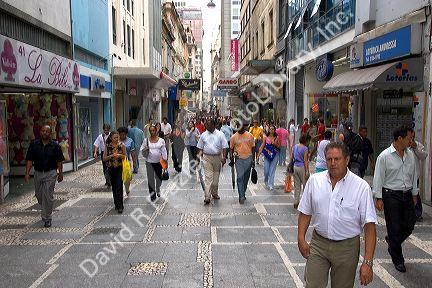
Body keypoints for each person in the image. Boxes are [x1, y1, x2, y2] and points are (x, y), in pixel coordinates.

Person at [298, 142, 377, 287]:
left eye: (337, 159)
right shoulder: (315, 181)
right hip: (319, 244)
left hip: (347, 248)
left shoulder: (361, 187)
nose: (332, 163)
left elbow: (370, 227)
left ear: (346, 160)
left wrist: (368, 262)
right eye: (329, 159)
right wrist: (301, 238)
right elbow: (305, 212)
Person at [374, 126, 418, 273]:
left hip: (407, 194)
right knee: (394, 227)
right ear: (400, 138)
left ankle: (392, 240)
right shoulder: (384, 156)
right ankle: (398, 259)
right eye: (409, 138)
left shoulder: (410, 155)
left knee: (410, 224)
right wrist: (378, 198)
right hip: (391, 195)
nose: (410, 141)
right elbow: (378, 178)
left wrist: (414, 193)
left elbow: (414, 174)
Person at [25, 125, 65, 227]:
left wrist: (60, 174)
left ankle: (47, 218)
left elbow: (59, 161)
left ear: (50, 133)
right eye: (43, 131)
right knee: (39, 195)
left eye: (47, 131)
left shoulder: (55, 146)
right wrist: (27, 173)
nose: (45, 133)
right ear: (40, 132)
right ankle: (45, 209)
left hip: (51, 173)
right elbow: (29, 160)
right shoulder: (34, 145)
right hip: (38, 173)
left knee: (48, 195)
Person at [197, 119, 228, 205]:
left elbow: (225, 146)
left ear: (214, 125)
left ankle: (214, 193)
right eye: (206, 125)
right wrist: (198, 158)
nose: (207, 126)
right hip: (206, 157)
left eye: (209, 125)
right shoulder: (203, 135)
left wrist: (224, 157)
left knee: (216, 178)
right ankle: (207, 196)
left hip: (217, 158)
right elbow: (200, 147)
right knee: (208, 177)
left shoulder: (220, 134)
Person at [230, 123, 255, 204]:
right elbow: (231, 148)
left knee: (246, 178)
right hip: (239, 159)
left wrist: (253, 160)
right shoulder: (233, 137)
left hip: (248, 158)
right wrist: (231, 157)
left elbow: (253, 148)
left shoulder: (250, 135)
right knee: (240, 177)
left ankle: (242, 192)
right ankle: (241, 196)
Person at [141, 125, 168, 202]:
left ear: (156, 131)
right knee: (150, 179)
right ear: (149, 132)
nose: (152, 132)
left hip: (159, 162)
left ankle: (158, 187)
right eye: (151, 131)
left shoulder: (161, 140)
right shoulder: (146, 140)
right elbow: (142, 150)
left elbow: (164, 151)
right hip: (149, 162)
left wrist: (165, 160)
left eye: (154, 130)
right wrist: (145, 148)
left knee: (159, 178)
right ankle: (152, 195)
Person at [103, 131, 127, 213]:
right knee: (114, 186)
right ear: (111, 138)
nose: (116, 139)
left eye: (117, 137)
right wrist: (111, 156)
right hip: (111, 168)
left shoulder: (122, 145)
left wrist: (119, 155)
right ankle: (116, 204)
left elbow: (125, 156)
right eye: (115, 138)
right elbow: (104, 158)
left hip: (119, 168)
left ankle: (120, 206)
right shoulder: (107, 146)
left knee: (119, 186)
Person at [410, 132, 428, 221]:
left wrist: (415, 148)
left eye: (412, 137)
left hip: (415, 175)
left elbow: (424, 156)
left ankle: (417, 213)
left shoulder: (417, 145)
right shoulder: (402, 146)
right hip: (403, 176)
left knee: (415, 194)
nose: (411, 139)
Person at [259, 125, 281, 190]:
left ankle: (271, 184)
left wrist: (275, 143)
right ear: (268, 130)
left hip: (275, 155)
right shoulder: (266, 137)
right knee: (266, 170)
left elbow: (279, 147)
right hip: (267, 155)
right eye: (270, 129)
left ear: (274, 130)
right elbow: (262, 146)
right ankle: (266, 179)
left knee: (272, 170)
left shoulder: (277, 137)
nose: (271, 130)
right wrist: (258, 156)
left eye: (272, 129)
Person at [292, 134, 310, 209]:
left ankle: (296, 202)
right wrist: (307, 171)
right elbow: (305, 161)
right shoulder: (305, 148)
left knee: (297, 186)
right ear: (305, 141)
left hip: (295, 167)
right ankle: (305, 203)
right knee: (305, 186)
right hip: (302, 167)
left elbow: (292, 157)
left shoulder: (295, 146)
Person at [117, 127, 136, 195]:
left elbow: (133, 152)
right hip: (117, 162)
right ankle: (119, 192)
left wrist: (134, 162)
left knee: (127, 177)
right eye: (121, 134)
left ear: (126, 134)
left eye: (123, 134)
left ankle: (127, 188)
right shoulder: (116, 141)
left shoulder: (130, 141)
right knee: (119, 178)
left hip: (126, 162)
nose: (122, 136)